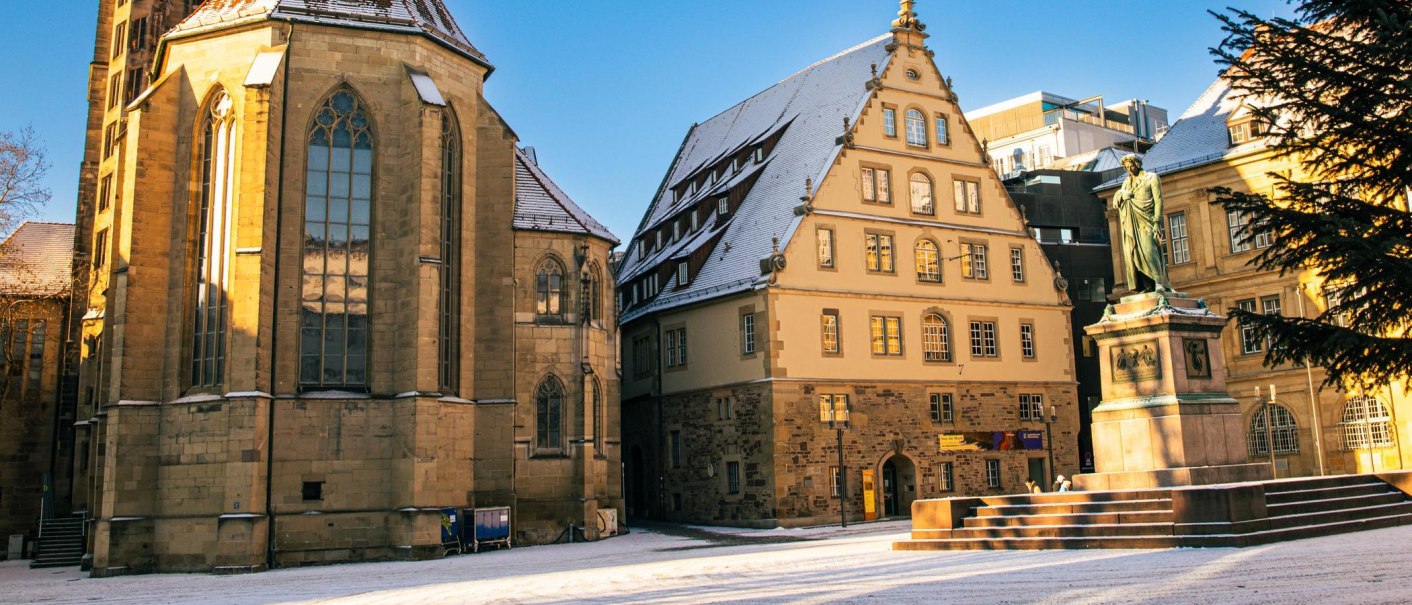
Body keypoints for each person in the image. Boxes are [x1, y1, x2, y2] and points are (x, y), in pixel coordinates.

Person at [1112, 155, 1172, 293]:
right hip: (1132, 223)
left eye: (1131, 166)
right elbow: (1117, 200)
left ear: (1137, 164)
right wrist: (1122, 195)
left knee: (1149, 250)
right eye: (1127, 167)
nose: (1130, 169)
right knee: (1135, 253)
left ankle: (1158, 282)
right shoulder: (1126, 183)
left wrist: (1157, 221)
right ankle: (1147, 286)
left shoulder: (1151, 178)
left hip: (1148, 221)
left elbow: (1159, 201)